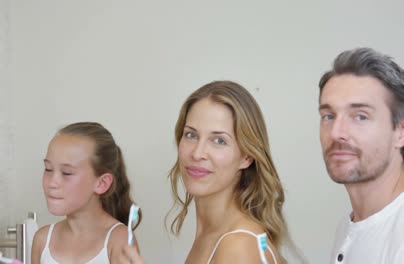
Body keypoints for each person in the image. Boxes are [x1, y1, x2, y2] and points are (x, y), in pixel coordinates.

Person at [119, 81, 295, 264]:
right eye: (191, 135)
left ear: (247, 157)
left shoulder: (238, 247)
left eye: (218, 140)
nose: (197, 153)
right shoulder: (216, 235)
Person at [318, 48, 404, 263]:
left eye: (361, 116)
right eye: (328, 116)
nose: (337, 133)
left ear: (400, 132)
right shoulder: (347, 227)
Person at [31, 122, 141, 264]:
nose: (52, 182)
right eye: (48, 169)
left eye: (67, 173)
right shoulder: (42, 240)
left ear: (101, 183)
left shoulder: (119, 241)